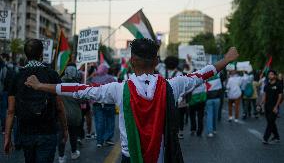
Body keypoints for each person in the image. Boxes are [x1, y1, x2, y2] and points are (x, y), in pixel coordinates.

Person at [25, 38, 239, 163]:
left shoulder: (118, 89)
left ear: (132, 61)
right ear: (156, 61)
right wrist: (226, 60)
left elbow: (81, 89)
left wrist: (41, 86)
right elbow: (202, 74)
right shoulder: (174, 85)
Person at [4, 39, 68, 163]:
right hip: (48, 132)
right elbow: (59, 106)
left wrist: (7, 136)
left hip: (26, 132)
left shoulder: (16, 76)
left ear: (25, 54)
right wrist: (65, 129)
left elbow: (11, 111)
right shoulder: (52, 74)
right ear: (41, 54)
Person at [58, 64, 82, 163]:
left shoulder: (59, 84)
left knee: (62, 135)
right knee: (73, 135)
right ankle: (73, 152)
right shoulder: (78, 86)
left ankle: (61, 156)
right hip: (75, 116)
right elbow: (82, 100)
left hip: (62, 115)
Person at [88, 63, 116, 147]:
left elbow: (86, 84)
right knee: (110, 121)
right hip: (109, 103)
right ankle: (107, 139)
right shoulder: (111, 78)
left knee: (99, 122)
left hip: (97, 103)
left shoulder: (93, 79)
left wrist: (92, 75)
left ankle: (99, 141)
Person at [261, 70, 283, 144]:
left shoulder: (278, 85)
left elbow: (280, 96)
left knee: (270, 122)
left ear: (275, 76)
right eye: (269, 74)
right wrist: (261, 104)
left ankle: (265, 138)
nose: (270, 76)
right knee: (271, 122)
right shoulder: (267, 85)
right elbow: (264, 95)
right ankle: (277, 137)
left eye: (272, 74)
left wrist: (276, 106)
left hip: (274, 107)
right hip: (267, 106)